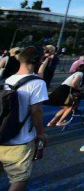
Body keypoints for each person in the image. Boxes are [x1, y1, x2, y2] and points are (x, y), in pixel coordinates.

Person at [0, 46, 48, 191]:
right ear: (37, 61)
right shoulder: (38, 83)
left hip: (2, 133)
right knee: (19, 179)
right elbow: (36, 111)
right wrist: (41, 133)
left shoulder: (9, 79)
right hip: (21, 140)